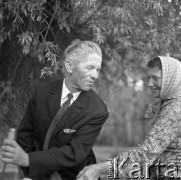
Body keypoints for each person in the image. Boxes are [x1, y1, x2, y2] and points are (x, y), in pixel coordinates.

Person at [1, 39, 109, 180]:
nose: (95, 75)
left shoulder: (98, 110)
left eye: (98, 69)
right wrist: (32, 172)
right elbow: (25, 134)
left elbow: (74, 153)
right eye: (90, 68)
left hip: (75, 176)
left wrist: (28, 159)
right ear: (70, 66)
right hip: (36, 173)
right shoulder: (42, 92)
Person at [77, 56, 181, 180]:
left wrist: (99, 169)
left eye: (156, 78)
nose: (149, 84)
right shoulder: (167, 103)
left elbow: (146, 154)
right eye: (149, 78)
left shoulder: (175, 109)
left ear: (172, 79)